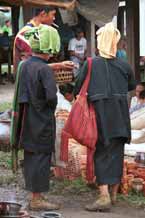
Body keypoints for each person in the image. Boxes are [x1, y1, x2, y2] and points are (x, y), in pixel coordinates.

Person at [74, 22, 136, 212]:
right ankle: (114, 194)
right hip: (121, 117)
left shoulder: (91, 63)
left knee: (101, 153)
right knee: (117, 154)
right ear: (115, 42)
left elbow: (77, 87)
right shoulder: (125, 66)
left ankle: (103, 196)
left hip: (100, 116)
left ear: (101, 41)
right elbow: (131, 87)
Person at [11, 24, 60, 210]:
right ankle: (37, 199)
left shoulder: (24, 66)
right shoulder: (44, 69)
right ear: (50, 47)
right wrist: (49, 108)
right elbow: (51, 97)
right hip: (42, 120)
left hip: (26, 119)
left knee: (31, 156)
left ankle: (33, 195)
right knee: (41, 158)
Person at [13, 6, 74, 74]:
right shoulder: (27, 33)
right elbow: (31, 67)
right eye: (53, 14)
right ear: (43, 14)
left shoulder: (39, 32)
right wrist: (59, 65)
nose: (54, 18)